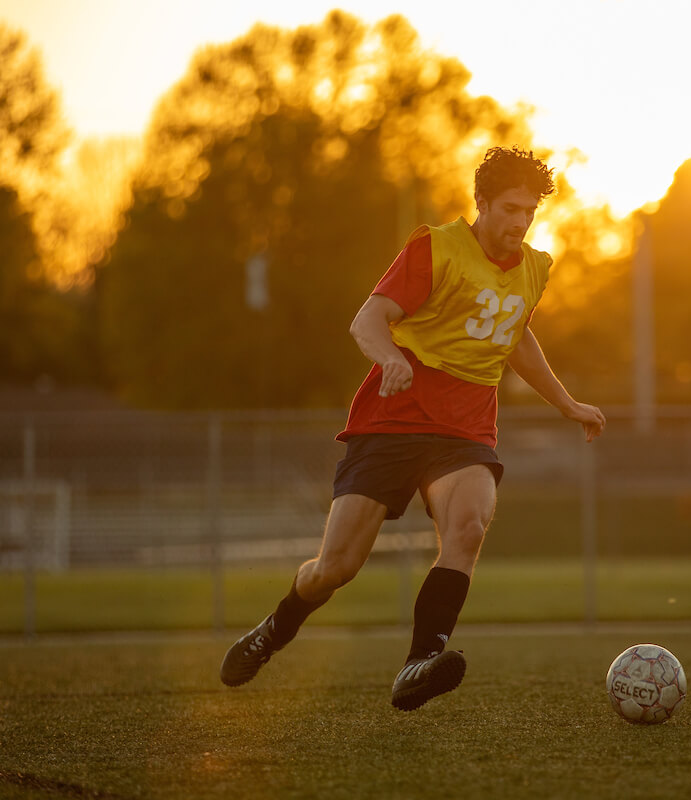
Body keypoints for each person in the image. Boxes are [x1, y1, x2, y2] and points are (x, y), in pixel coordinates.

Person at [220, 146, 606, 710]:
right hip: (392, 422)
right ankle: (275, 629)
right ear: (481, 204)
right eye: (510, 209)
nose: (521, 222)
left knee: (469, 526)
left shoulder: (534, 268)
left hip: (464, 430)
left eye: (530, 211)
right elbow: (368, 320)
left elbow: (516, 334)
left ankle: (419, 661)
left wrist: (567, 403)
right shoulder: (438, 247)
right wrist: (391, 359)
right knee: (336, 568)